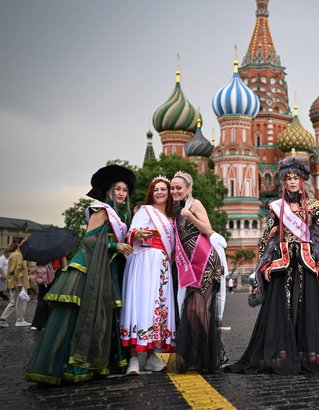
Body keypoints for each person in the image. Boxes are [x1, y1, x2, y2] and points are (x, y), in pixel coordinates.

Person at [226, 156, 319, 375]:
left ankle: (308, 353)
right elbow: (267, 238)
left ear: (302, 180)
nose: (292, 182)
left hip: (307, 264)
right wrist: (264, 266)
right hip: (283, 263)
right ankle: (283, 353)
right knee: (281, 309)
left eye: (296, 178)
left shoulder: (313, 207)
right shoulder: (276, 208)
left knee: (308, 310)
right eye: (288, 178)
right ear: (283, 182)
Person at [24, 165, 136, 385]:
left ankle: (96, 363)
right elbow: (90, 240)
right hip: (89, 267)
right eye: (117, 189)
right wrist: (117, 247)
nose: (122, 193)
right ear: (107, 191)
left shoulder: (118, 214)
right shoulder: (100, 209)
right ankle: (70, 367)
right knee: (80, 316)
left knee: (100, 315)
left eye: (124, 189)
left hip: (105, 269)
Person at [170, 170, 226, 373]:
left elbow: (208, 230)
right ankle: (203, 354)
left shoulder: (194, 204)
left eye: (179, 187)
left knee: (198, 309)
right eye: (173, 188)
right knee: (192, 311)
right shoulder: (175, 210)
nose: (175, 191)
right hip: (189, 265)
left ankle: (215, 351)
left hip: (205, 260)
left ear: (188, 189)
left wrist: (190, 216)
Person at [120, 176, 176, 375]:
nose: (159, 192)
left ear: (169, 193)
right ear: (151, 193)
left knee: (158, 308)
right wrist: (138, 234)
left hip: (161, 267)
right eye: (156, 190)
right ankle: (134, 359)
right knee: (140, 306)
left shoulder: (170, 218)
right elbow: (130, 233)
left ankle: (153, 356)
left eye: (163, 189)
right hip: (143, 262)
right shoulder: (144, 210)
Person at [0, 237, 30, 327]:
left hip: (14, 281)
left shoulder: (14, 254)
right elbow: (17, 271)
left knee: (13, 302)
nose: (26, 244)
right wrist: (20, 282)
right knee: (20, 302)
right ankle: (19, 320)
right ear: (18, 244)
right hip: (18, 282)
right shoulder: (17, 255)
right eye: (24, 243)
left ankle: (3, 319)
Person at [30, 257, 66, 331]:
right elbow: (64, 265)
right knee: (52, 300)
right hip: (55, 274)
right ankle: (49, 323)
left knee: (41, 300)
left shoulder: (41, 248)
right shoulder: (59, 249)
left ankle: (37, 324)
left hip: (43, 275)